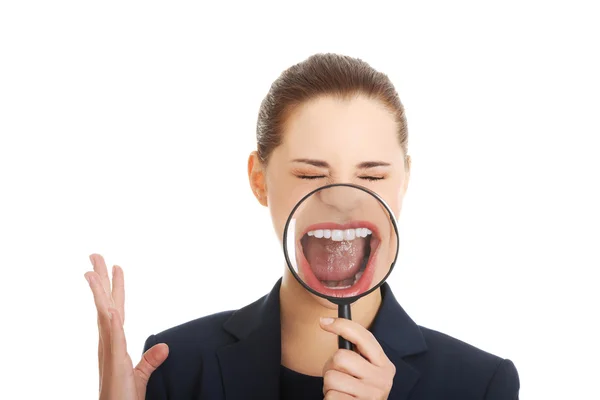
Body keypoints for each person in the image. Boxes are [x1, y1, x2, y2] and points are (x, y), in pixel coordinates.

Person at [84, 53, 520, 399]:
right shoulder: (175, 366)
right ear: (259, 180)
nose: (343, 200)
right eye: (311, 175)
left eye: (371, 177)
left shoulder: (479, 385)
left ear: (404, 182)